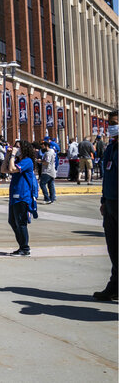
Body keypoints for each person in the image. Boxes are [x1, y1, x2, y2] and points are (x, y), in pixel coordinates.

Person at [92, 110, 117, 301]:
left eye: (114, 122)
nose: (110, 126)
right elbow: (107, 175)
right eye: (109, 123)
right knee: (113, 247)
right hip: (110, 203)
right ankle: (115, 285)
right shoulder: (110, 147)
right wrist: (103, 200)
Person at [4, 141, 39, 256]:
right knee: (12, 221)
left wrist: (13, 155)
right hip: (14, 195)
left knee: (21, 222)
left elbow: (13, 169)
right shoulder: (17, 161)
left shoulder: (27, 161)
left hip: (23, 196)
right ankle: (21, 246)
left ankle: (25, 248)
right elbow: (4, 170)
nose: (16, 149)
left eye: (18, 147)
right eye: (15, 147)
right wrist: (7, 156)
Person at [39, 139, 57, 204]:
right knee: (50, 185)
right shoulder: (53, 152)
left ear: (46, 146)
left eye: (42, 146)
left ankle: (47, 198)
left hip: (47, 171)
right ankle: (52, 198)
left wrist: (40, 161)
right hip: (52, 171)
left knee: (42, 184)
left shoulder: (48, 153)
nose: (41, 147)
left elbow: (46, 162)